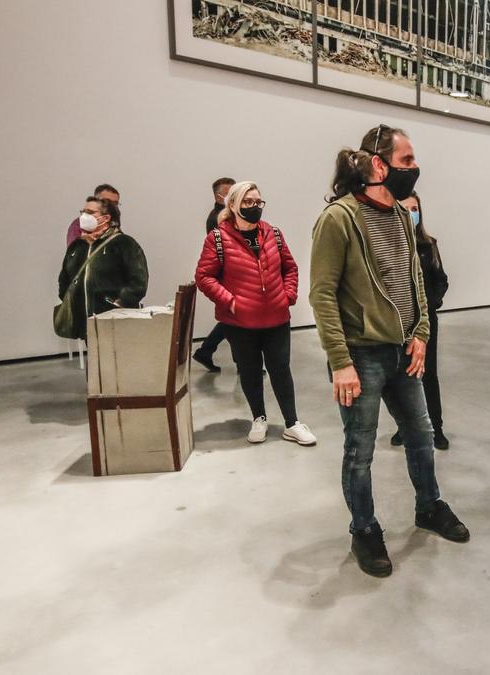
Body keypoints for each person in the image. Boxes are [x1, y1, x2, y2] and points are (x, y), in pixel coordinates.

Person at [309, 124, 469, 579]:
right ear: (378, 164)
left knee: (420, 434)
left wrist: (420, 332)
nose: (414, 169)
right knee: (360, 450)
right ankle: (364, 530)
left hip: (404, 351)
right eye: (406, 160)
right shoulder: (339, 219)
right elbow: (321, 295)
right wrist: (340, 362)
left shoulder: (401, 215)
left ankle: (429, 506)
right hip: (360, 354)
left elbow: (415, 282)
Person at [194, 181, 317, 447]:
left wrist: (288, 295)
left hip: (277, 318)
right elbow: (204, 277)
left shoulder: (273, 233)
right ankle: (258, 418)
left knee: (281, 369)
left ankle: (292, 422)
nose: (254, 207)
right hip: (239, 322)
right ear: (234, 205)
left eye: (258, 202)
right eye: (248, 202)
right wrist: (231, 301)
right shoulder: (217, 238)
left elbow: (290, 268)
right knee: (249, 371)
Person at [389, 192, 450, 450]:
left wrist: (431, 304)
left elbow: (441, 279)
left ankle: (436, 427)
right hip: (398, 323)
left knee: (428, 374)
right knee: (402, 376)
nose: (411, 213)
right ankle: (405, 426)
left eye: (415, 208)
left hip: (425, 322)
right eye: (406, 209)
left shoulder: (429, 245)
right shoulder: (389, 245)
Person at [57, 196, 149, 340]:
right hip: (85, 325)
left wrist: (119, 302)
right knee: (94, 361)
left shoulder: (124, 244)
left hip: (116, 323)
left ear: (105, 218)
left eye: (90, 212)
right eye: (82, 211)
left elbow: (139, 281)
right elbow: (64, 279)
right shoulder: (77, 247)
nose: (83, 216)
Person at [193, 177, 237, 372]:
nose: (231, 196)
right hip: (226, 275)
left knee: (232, 320)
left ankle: (206, 351)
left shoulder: (226, 214)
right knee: (234, 320)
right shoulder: (217, 217)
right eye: (227, 193)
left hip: (227, 273)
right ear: (217, 196)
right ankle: (241, 363)